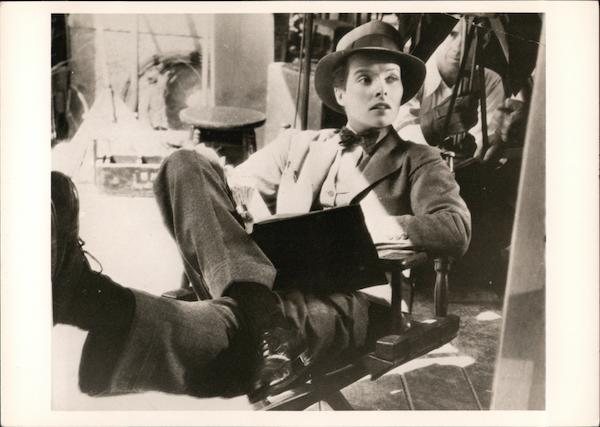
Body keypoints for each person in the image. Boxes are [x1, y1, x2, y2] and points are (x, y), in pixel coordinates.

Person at [51, 21, 470, 403]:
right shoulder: (298, 146)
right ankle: (263, 320)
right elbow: (235, 183)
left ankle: (88, 298)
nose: (382, 89)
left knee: (232, 323)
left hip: (356, 300)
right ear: (341, 93)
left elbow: (455, 227)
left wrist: (378, 227)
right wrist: (232, 192)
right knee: (185, 163)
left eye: (391, 79)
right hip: (278, 282)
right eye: (366, 78)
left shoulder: (419, 159)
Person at [393, 17, 505, 160]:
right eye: (452, 34)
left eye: (469, 38)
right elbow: (398, 136)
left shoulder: (490, 82)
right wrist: (433, 126)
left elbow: (483, 147)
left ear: (485, 40)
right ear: (439, 34)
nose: (458, 47)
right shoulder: (412, 75)